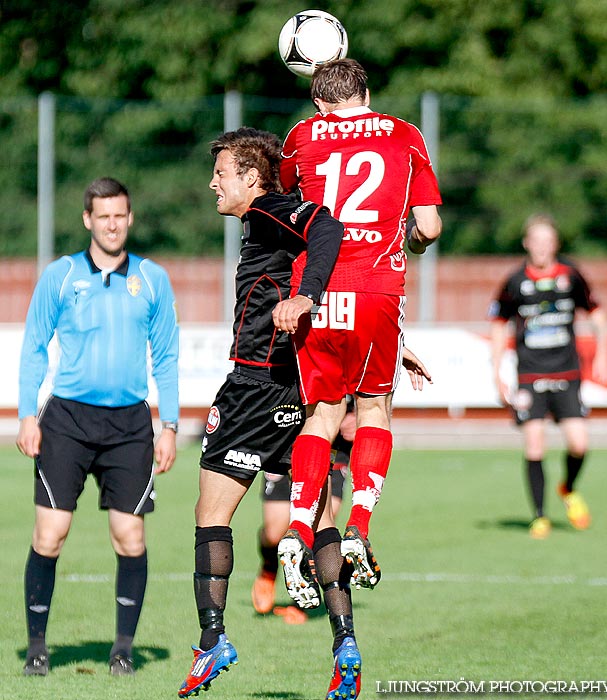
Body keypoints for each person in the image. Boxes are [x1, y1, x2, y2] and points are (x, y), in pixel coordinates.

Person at [177, 127, 345, 698]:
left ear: (250, 178)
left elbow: (326, 228)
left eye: (221, 172)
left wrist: (308, 298)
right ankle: (344, 643)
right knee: (319, 518)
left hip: (256, 385)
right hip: (296, 387)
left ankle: (213, 639)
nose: (212, 182)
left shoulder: (270, 207)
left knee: (210, 510)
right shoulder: (260, 220)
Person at [272, 57, 442, 613]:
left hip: (316, 291)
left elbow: (290, 204)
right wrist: (412, 240)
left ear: (319, 102)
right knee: (373, 409)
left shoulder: (302, 134)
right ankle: (359, 526)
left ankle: (298, 526)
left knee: (320, 414)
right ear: (366, 91)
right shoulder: (404, 133)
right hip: (376, 290)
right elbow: (429, 227)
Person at [16, 177, 179, 677]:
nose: (112, 224)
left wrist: (168, 424)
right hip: (66, 419)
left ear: (129, 218)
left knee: (129, 537)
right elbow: (34, 347)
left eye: (120, 215)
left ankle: (123, 650)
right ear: (88, 219)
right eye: (103, 216)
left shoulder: (152, 279)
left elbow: (167, 355)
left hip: (131, 423)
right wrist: (27, 413)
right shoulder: (61, 276)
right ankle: (38, 647)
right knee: (51, 534)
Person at [489, 214, 607, 539]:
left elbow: (597, 312)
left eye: (548, 241)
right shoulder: (515, 282)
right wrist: (497, 371)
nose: (541, 247)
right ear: (527, 243)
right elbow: (499, 324)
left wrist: (601, 353)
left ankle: (568, 488)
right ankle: (539, 516)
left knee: (579, 444)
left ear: (555, 244)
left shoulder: (570, 276)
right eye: (536, 241)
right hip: (529, 374)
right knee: (534, 444)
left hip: (568, 372)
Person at [251, 396, 355, 625]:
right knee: (273, 533)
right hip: (288, 434)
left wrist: (358, 415)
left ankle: (300, 600)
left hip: (332, 440)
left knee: (321, 525)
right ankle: (268, 567)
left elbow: (372, 381)